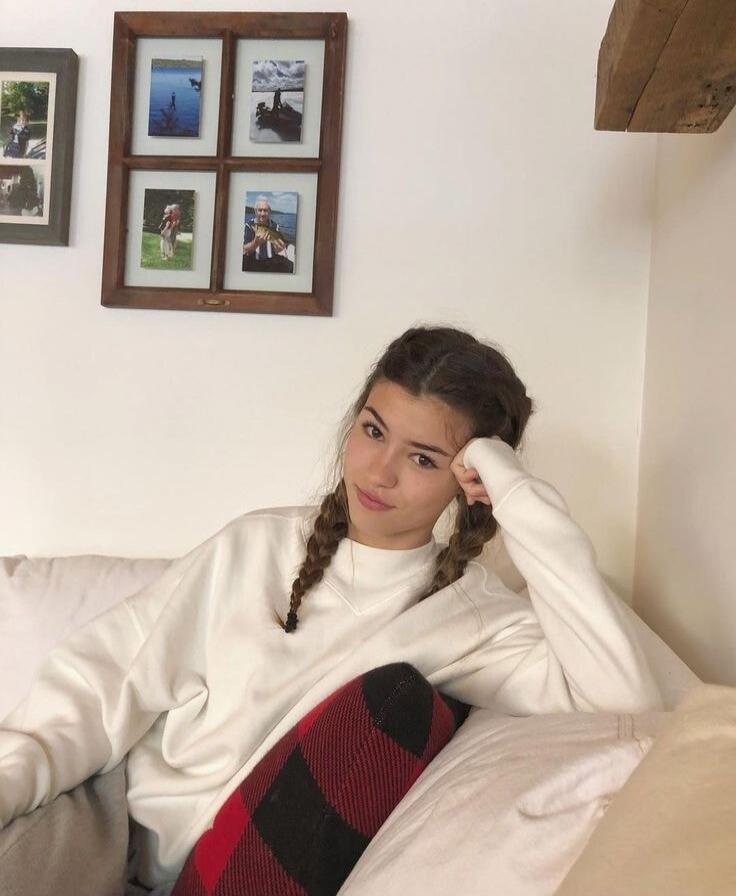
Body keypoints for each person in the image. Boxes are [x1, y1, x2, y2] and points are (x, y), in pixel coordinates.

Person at [0, 326, 663, 891]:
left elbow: (626, 698)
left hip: (217, 873)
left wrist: (517, 494)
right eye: (373, 430)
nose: (379, 472)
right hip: (102, 820)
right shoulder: (255, 546)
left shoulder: (473, 618)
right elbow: (103, 680)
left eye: (424, 458)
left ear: (469, 483)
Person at [242, 195, 294, 273]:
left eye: (265, 210)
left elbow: (276, 250)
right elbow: (245, 249)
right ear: (255, 211)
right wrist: (255, 243)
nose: (262, 213)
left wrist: (279, 248)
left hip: (272, 260)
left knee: (291, 267)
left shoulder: (275, 226)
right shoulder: (249, 225)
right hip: (253, 261)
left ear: (269, 212)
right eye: (260, 210)